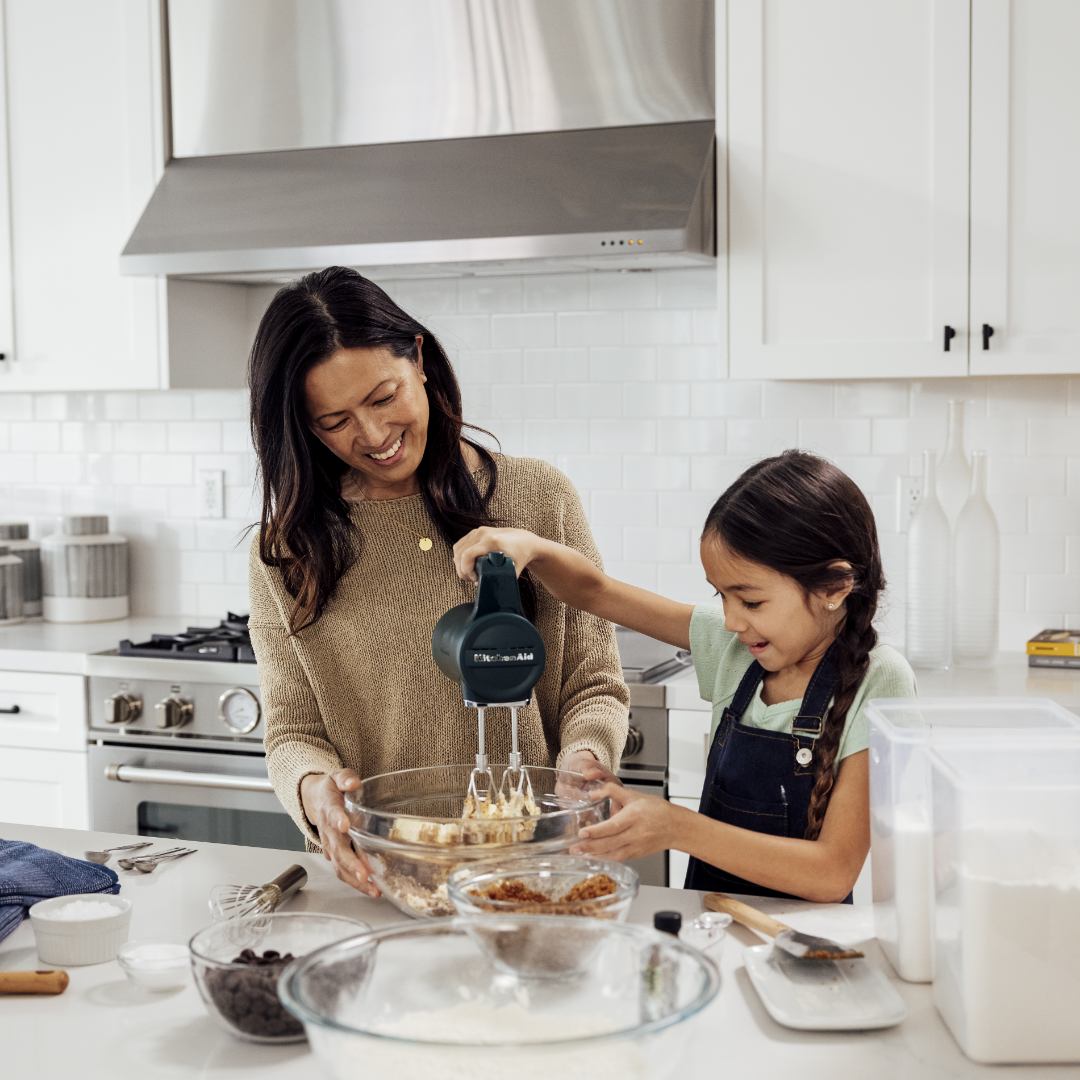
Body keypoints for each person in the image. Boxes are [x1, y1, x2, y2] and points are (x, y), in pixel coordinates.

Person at [246, 267, 628, 896]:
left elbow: (594, 684)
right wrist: (317, 794)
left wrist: (584, 762)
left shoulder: (538, 499)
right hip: (383, 880)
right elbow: (292, 731)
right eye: (334, 421)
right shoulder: (290, 547)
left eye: (382, 397)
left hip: (531, 875)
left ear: (419, 358)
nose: (372, 437)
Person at [452, 450, 916, 903]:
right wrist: (531, 547)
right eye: (721, 597)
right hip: (710, 922)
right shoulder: (734, 648)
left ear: (834, 587)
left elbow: (832, 873)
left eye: (750, 601)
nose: (732, 621)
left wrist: (676, 827)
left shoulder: (881, 680)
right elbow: (597, 592)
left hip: (803, 946)